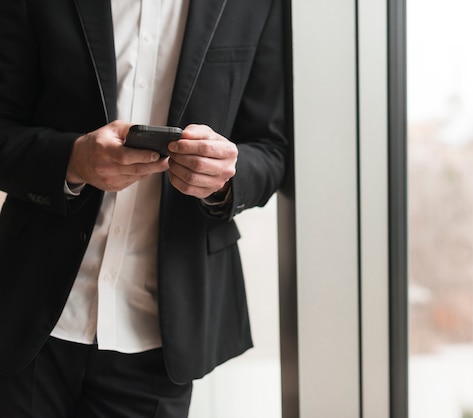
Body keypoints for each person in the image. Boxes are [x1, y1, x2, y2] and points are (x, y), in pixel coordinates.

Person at [0, 0, 288, 416]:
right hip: (28, 314)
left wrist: (227, 176)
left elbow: (272, 148)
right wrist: (73, 160)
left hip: (160, 338)